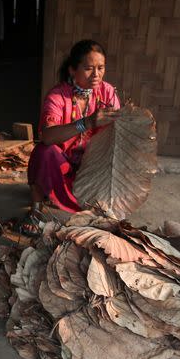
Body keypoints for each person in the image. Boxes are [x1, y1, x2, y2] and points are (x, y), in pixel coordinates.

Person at [21, 39, 121, 235]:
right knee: (44, 152)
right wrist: (87, 122)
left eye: (101, 68)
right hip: (63, 165)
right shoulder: (58, 96)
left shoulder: (107, 93)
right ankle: (36, 210)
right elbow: (47, 136)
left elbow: (118, 130)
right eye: (88, 68)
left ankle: (99, 207)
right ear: (72, 70)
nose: (96, 74)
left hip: (92, 168)